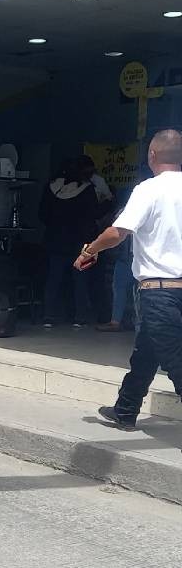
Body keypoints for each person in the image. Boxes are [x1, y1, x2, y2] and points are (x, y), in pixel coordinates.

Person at [74, 129, 182, 430]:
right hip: (171, 291)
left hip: (160, 291)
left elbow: (118, 232)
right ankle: (125, 410)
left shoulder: (149, 189)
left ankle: (125, 409)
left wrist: (89, 250)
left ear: (152, 156)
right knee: (146, 352)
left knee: (175, 361)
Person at [39, 156, 100, 328]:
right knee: (80, 281)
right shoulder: (87, 190)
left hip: (55, 240)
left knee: (53, 280)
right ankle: (79, 317)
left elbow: (42, 214)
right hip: (79, 243)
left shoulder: (52, 188)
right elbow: (93, 214)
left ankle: (48, 316)